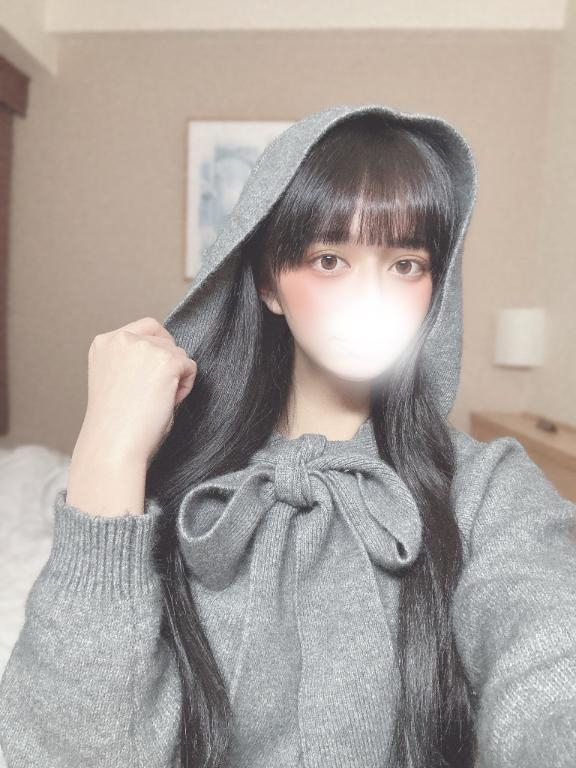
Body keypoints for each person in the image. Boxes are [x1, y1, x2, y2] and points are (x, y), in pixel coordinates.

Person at [1, 103, 575, 768]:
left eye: (405, 265)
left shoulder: (488, 487)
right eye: (329, 260)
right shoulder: (168, 492)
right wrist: (107, 450)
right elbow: (64, 748)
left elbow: (551, 660)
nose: (370, 299)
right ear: (270, 283)